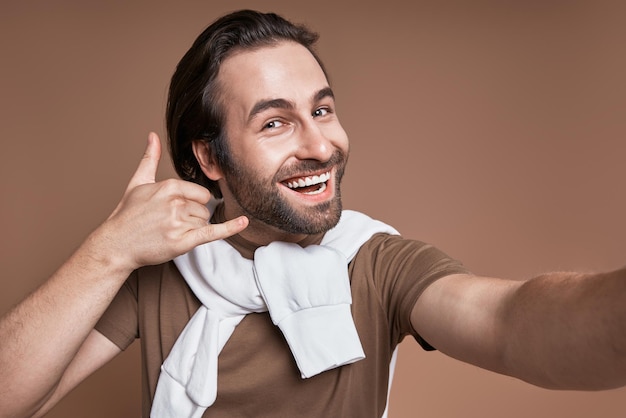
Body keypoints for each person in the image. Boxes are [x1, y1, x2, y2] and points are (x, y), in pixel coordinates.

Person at [0, 9, 624, 418]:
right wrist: (108, 250)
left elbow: (514, 325)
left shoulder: (377, 264)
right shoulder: (160, 267)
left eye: (322, 110)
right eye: (276, 122)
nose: (321, 146)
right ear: (208, 157)